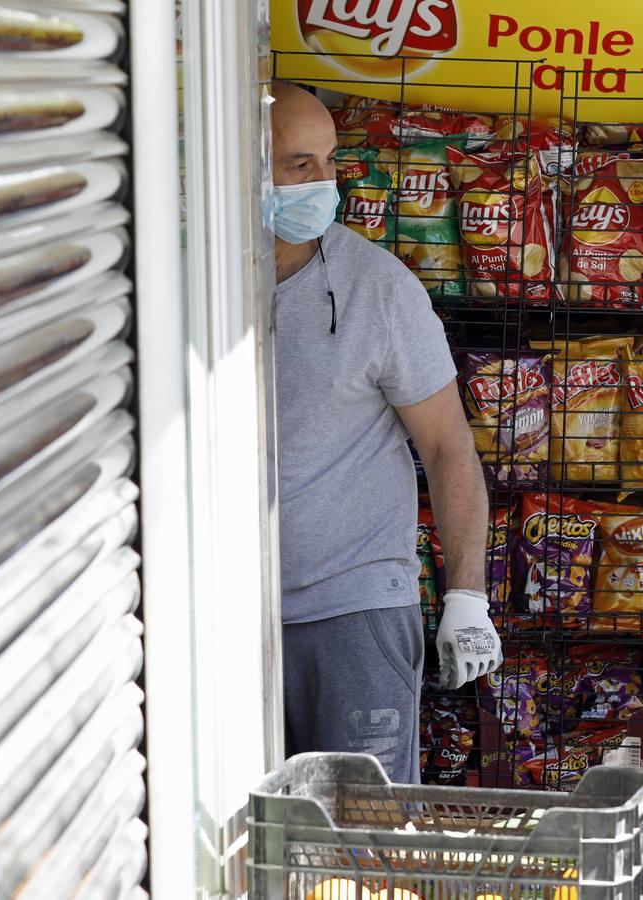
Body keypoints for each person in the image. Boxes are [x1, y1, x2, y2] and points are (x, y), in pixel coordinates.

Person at [264, 82, 501, 783]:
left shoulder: (379, 290)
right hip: (216, 609)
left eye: (331, 161)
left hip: (354, 609)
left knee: (362, 834)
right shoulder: (186, 280)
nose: (325, 184)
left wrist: (467, 596)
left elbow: (448, 446)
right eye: (300, 165)